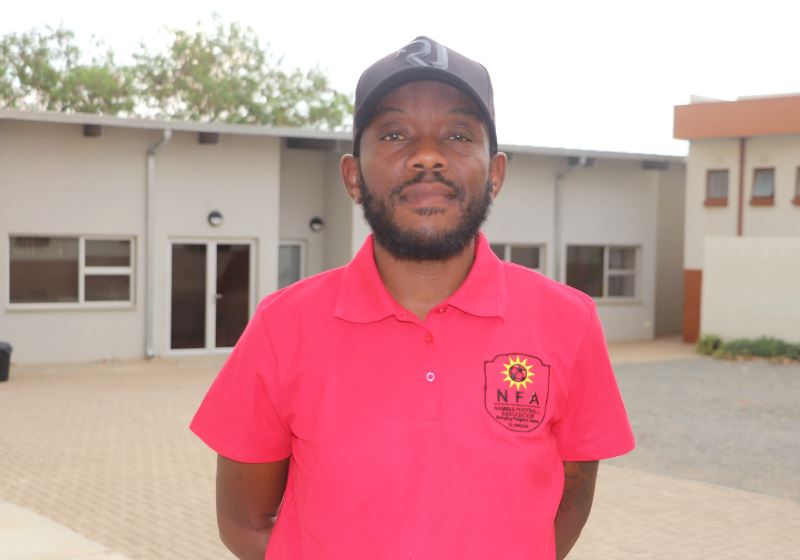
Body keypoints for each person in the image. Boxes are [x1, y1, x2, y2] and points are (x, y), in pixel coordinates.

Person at [191, 36, 635, 560]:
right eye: (395, 134)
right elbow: (245, 523)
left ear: (495, 175)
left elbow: (571, 497)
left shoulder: (568, 321)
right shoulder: (282, 325)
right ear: (353, 177)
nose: (427, 156)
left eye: (457, 135)